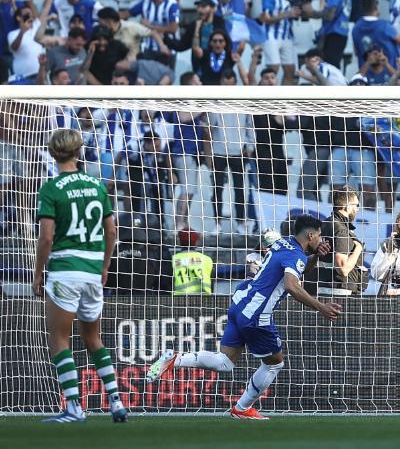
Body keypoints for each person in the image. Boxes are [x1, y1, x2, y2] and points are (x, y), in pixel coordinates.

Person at [146, 214, 342, 419]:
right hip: (257, 315)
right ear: (310, 235)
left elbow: (298, 268)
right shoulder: (296, 256)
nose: (321, 240)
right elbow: (292, 285)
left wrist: (316, 256)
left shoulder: (283, 244)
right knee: (274, 363)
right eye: (319, 236)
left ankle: (175, 359)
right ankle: (241, 408)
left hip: (240, 303)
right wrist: (321, 307)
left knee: (224, 362)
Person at [31, 128, 128, 423]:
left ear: (52, 152)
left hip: (65, 270)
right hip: (92, 271)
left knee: (60, 339)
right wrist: (105, 266)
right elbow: (112, 231)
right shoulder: (97, 185)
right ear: (78, 151)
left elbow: (46, 238)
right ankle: (116, 402)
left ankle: (74, 407)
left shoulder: (52, 188)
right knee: (94, 339)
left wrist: (37, 273)